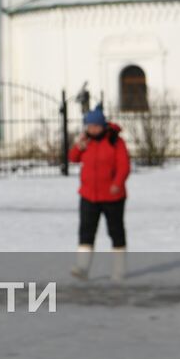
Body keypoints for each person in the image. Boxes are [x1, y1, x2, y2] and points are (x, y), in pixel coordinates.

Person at [68, 102, 129, 281]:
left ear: (102, 125)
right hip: (88, 195)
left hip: (113, 196)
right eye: (89, 126)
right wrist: (78, 147)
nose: (92, 129)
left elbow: (124, 166)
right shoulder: (85, 141)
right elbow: (72, 158)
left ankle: (119, 270)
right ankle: (82, 267)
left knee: (116, 232)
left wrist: (117, 183)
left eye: (95, 126)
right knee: (86, 231)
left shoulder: (115, 141)